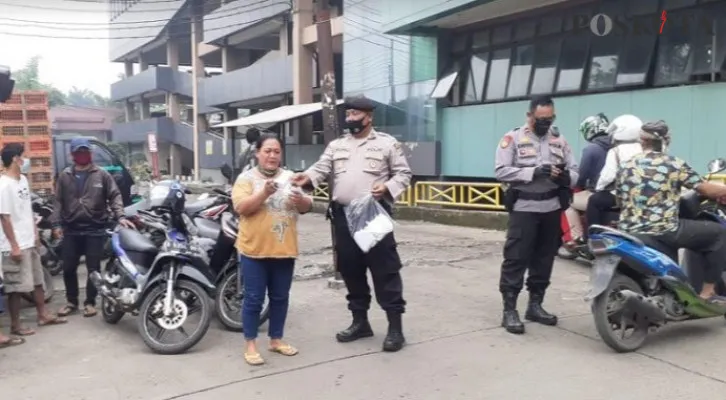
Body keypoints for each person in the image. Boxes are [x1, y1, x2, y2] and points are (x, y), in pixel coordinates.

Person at [291, 95, 412, 352]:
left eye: (355, 114)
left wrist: (387, 187)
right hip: (343, 217)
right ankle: (360, 322)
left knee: (385, 270)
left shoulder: (386, 144)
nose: (350, 119)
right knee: (351, 270)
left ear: (369, 116)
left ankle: (395, 328)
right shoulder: (337, 145)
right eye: (348, 115)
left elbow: (404, 174)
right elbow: (321, 168)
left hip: (372, 214)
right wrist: (307, 176)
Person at [615, 120, 726, 304]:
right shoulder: (673, 164)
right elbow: (704, 189)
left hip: (630, 229)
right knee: (718, 233)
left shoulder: (625, 165)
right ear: (666, 140)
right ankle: (707, 293)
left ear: (642, 141)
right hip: (664, 229)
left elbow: (619, 200)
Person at [495, 95, 579, 334]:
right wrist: (533, 172)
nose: (545, 123)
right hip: (524, 208)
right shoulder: (512, 138)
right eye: (541, 119)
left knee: (544, 259)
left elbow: (575, 171)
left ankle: (535, 305)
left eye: (549, 118)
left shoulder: (559, 139)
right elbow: (501, 171)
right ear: (529, 115)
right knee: (516, 258)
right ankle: (509, 310)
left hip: (551, 208)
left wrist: (566, 178)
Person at [232, 133, 313, 366]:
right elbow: (241, 208)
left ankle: (276, 339)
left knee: (280, 297)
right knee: (254, 299)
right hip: (254, 250)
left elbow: (308, 205)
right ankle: (250, 344)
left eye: (276, 151)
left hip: (284, 249)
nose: (272, 155)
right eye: (267, 151)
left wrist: (301, 201)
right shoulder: (245, 179)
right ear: (257, 153)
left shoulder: (291, 177)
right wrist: (264, 192)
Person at [50, 138, 134, 318]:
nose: (82, 155)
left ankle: (90, 302)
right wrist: (56, 224)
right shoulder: (65, 176)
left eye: (85, 151)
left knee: (93, 269)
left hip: (95, 229)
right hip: (71, 229)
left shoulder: (102, 175)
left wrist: (120, 217)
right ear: (72, 154)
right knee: (69, 268)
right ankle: (71, 301)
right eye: (78, 152)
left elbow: (114, 196)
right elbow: (57, 201)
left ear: (91, 153)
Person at [0, 143, 67, 346]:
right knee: (16, 287)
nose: (25, 161)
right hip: (14, 244)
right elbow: (5, 218)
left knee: (38, 280)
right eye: (23, 157)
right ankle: (15, 325)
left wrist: (36, 234)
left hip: (29, 239)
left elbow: (27, 211)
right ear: (14, 159)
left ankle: (43, 315)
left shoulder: (22, 181)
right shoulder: (4, 185)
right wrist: (14, 246)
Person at [584, 114, 644, 238]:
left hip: (622, 196)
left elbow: (607, 177)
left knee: (594, 201)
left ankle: (593, 238)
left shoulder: (616, 151)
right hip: (643, 194)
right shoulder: (644, 148)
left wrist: (598, 188)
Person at [562, 114, 609, 244]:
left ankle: (576, 238)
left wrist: (576, 185)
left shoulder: (591, 149)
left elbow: (581, 176)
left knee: (566, 203)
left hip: (596, 193)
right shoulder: (617, 146)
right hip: (615, 196)